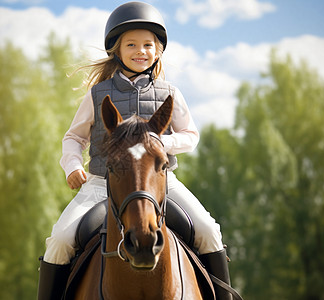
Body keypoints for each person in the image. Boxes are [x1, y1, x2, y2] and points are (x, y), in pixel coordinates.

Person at [38, 2, 233, 299]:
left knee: (208, 231)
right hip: (100, 186)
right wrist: (73, 165)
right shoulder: (98, 94)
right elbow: (73, 138)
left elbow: (190, 136)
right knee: (61, 241)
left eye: (148, 45)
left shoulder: (170, 93)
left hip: (161, 186)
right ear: (116, 50)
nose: (141, 51)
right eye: (131, 44)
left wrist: (157, 145)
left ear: (158, 50)